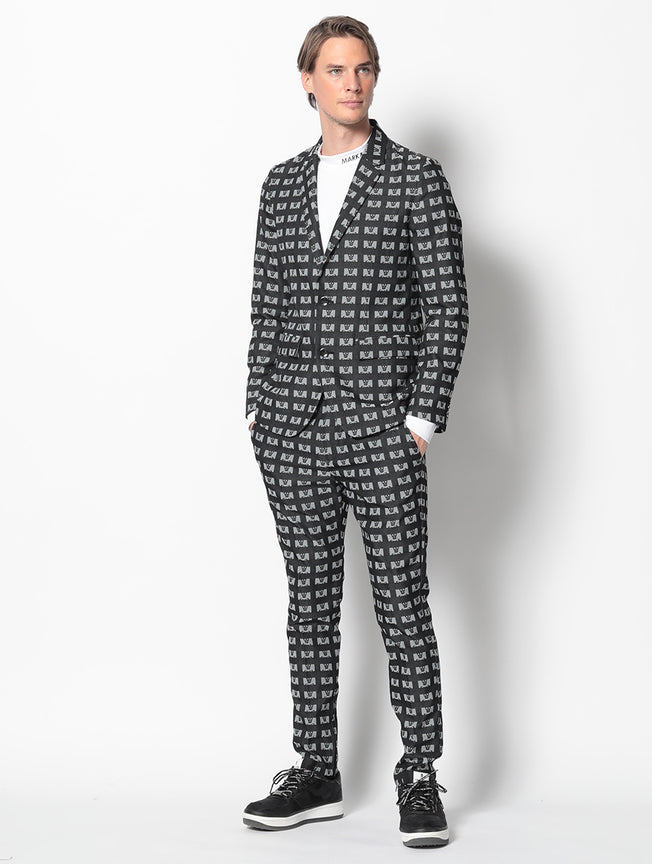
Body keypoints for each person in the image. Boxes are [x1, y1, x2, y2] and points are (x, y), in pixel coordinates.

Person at [242, 15, 468, 849]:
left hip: (383, 429)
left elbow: (447, 308)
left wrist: (420, 420)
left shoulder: (415, 178)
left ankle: (420, 772)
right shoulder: (279, 186)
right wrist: (259, 406)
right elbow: (267, 305)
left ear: (375, 77)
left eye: (363, 68)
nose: (352, 82)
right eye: (335, 69)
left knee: (402, 603)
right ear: (308, 80)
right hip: (293, 429)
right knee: (310, 603)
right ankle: (317, 771)